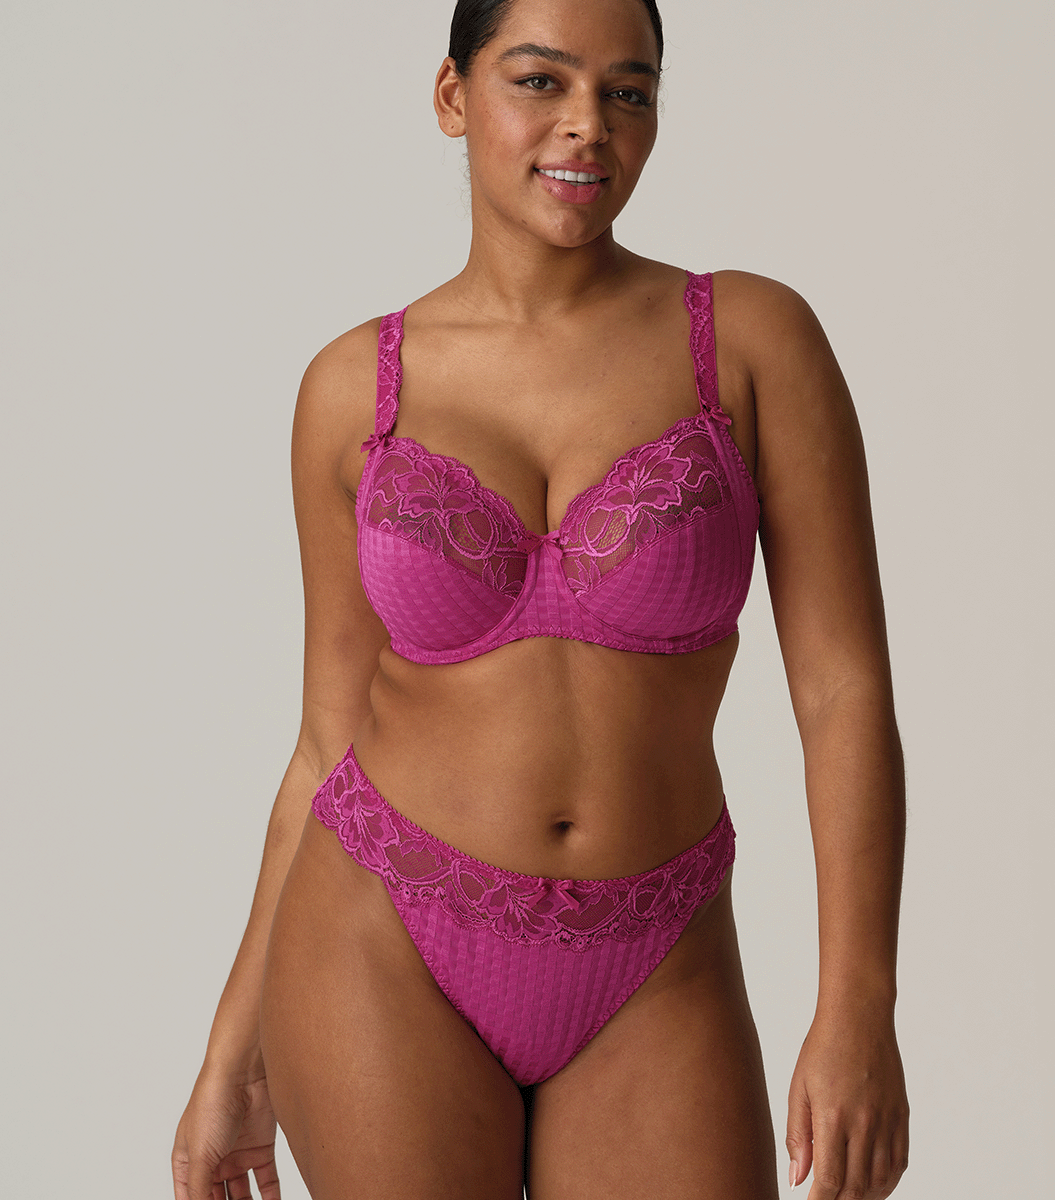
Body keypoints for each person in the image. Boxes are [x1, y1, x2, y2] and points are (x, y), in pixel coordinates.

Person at [172, 0, 909, 1196]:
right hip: (380, 940)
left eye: (629, 91)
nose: (587, 126)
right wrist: (231, 1056)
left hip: (656, 955)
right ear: (453, 97)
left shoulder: (749, 343)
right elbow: (325, 739)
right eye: (540, 81)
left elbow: (841, 691)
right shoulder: (353, 390)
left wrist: (859, 1007)